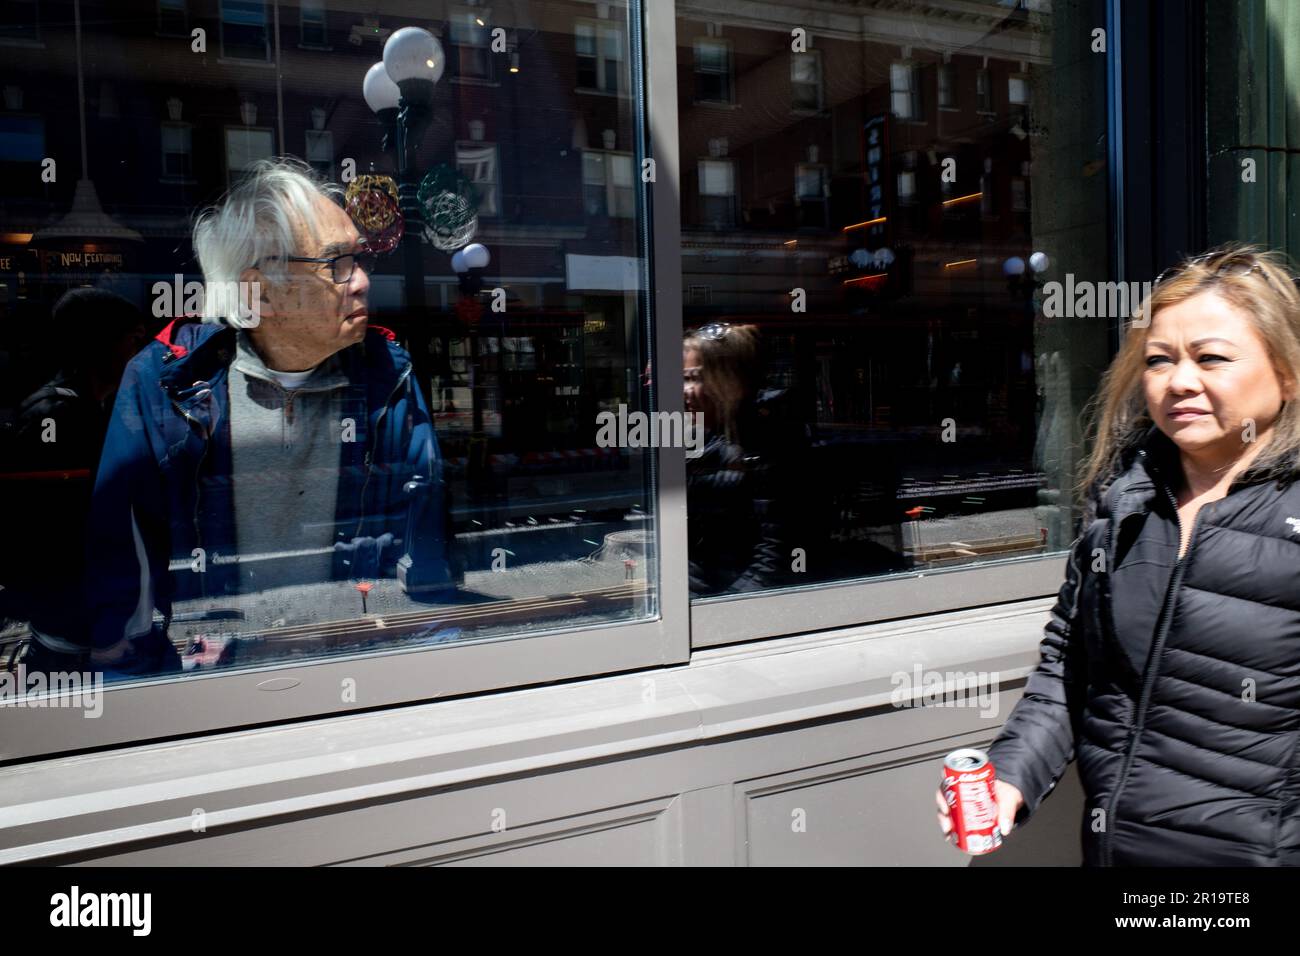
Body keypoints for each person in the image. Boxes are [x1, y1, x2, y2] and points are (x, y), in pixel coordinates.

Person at [936, 245, 1300, 865]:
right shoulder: (1125, 501)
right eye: (1159, 361)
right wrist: (1010, 774)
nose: (1180, 381)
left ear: (1287, 373)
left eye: (1211, 357)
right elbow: (1071, 666)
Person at [87, 157, 451, 677]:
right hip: (211, 686)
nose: (362, 280)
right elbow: (122, 572)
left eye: (358, 259)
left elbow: (424, 557)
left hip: (363, 674)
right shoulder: (161, 383)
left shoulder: (387, 376)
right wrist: (145, 697)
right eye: (337, 263)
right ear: (260, 292)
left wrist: (426, 676)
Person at [683, 322, 806, 595]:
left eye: (695, 378)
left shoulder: (771, 442)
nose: (686, 390)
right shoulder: (702, 435)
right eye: (684, 378)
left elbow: (775, 556)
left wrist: (719, 610)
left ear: (730, 381)